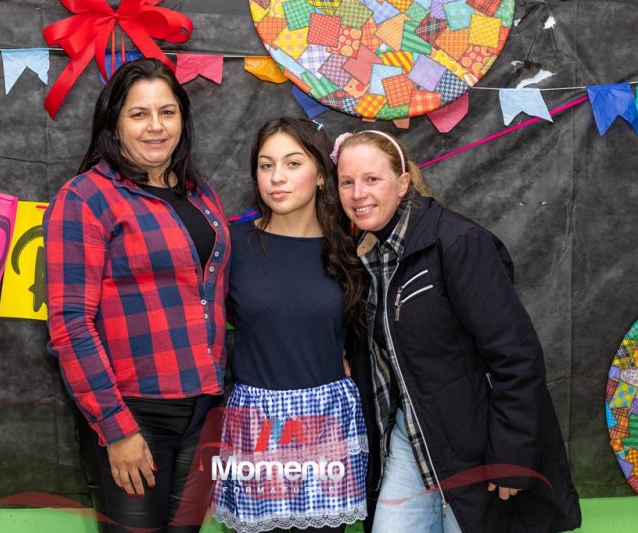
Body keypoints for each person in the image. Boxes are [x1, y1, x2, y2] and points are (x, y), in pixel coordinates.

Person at [332, 130, 582, 533]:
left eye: (372, 179)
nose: (358, 193)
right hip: (411, 437)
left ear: (402, 182)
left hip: (477, 445)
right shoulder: (365, 256)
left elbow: (516, 356)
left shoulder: (458, 243)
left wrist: (512, 455)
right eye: (347, 181)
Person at [43, 58, 230, 533]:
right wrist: (115, 426)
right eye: (139, 114)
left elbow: (216, 294)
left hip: (204, 406)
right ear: (114, 123)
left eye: (167, 112)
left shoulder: (201, 195)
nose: (155, 126)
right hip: (133, 410)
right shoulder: (85, 198)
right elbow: (70, 325)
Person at [211, 117, 369, 532]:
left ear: (322, 175)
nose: (277, 177)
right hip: (257, 424)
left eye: (293, 163)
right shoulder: (232, 245)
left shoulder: (351, 250)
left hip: (326, 421)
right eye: (266, 165)